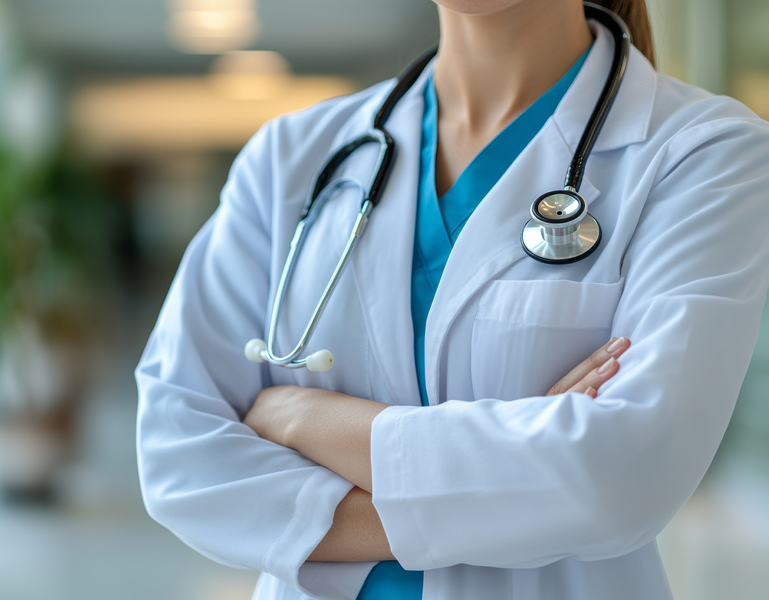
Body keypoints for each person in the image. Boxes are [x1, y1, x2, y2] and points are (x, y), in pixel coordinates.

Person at [135, 0, 769, 598]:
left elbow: (625, 472)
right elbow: (178, 450)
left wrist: (303, 421)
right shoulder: (289, 159)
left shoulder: (703, 154)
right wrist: (515, 491)